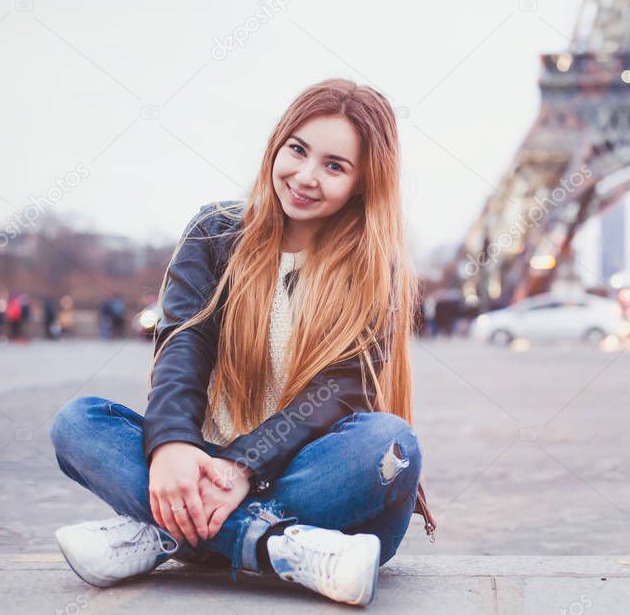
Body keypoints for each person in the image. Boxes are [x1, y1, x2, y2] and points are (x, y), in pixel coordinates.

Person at [49, 79, 436, 607]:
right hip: (218, 467)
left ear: (364, 184)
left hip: (312, 478)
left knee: (389, 443)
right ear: (277, 143)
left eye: (334, 166)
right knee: (77, 423)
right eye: (297, 150)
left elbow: (337, 393)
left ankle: (169, 533)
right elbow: (183, 346)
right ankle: (279, 547)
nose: (304, 176)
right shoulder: (216, 232)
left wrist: (243, 466)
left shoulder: (375, 267)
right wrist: (173, 447)